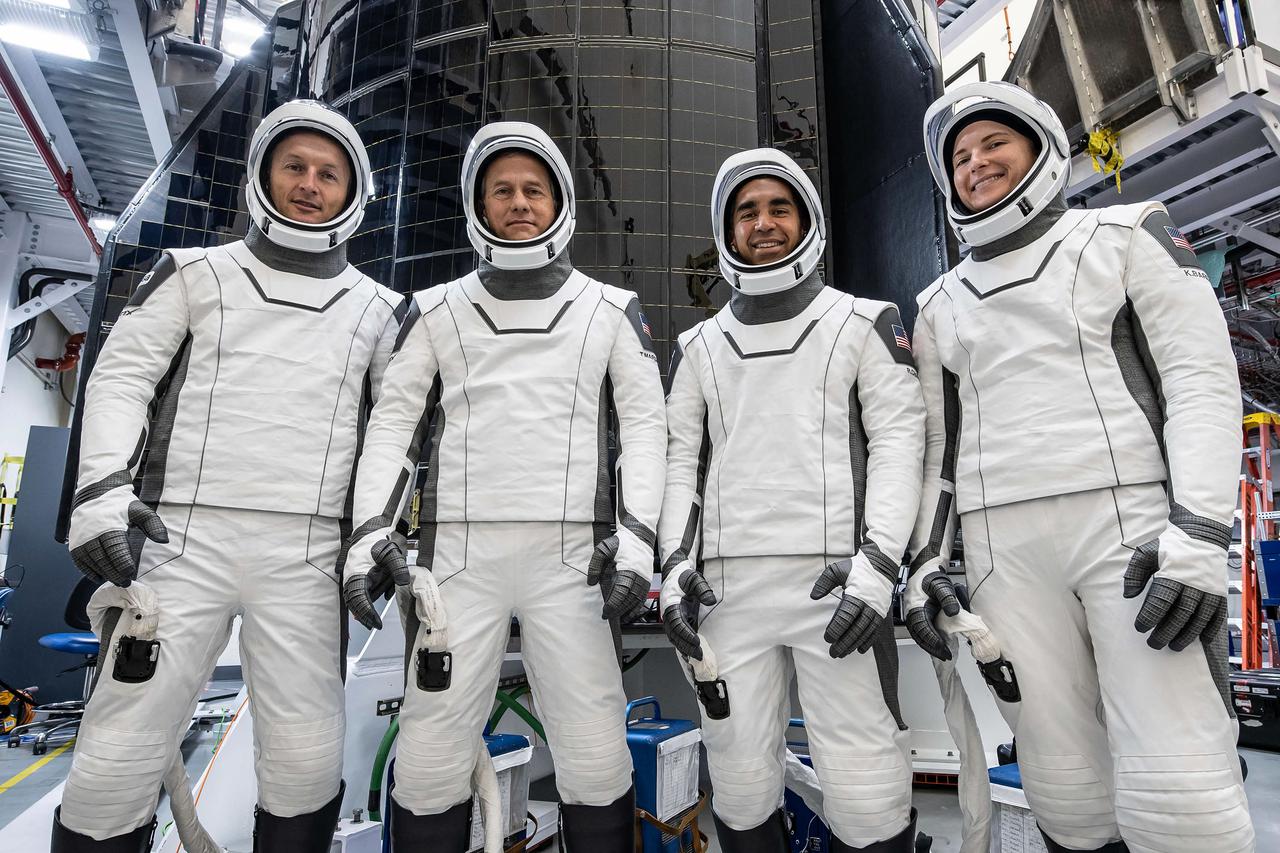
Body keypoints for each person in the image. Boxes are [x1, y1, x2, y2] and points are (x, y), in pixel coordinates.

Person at [904, 81, 1255, 853]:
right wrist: (925, 559)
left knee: (1180, 795)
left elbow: (1201, 379)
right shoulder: (939, 303)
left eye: (992, 143)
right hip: (1005, 556)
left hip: (1132, 537)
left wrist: (1198, 535)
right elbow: (939, 450)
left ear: (1040, 147)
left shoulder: (1128, 234)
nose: (976, 164)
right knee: (1067, 792)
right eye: (960, 158)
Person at [56, 100, 405, 852]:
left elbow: (400, 429)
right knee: (115, 758)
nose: (310, 186)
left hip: (308, 555)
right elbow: (122, 381)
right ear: (263, 175)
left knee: (306, 761)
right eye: (295, 168)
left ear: (354, 192)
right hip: (181, 539)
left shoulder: (380, 310)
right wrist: (102, 494)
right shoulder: (192, 274)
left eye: (328, 174)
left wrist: (375, 531)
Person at [341, 121, 666, 851]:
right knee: (428, 760)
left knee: (594, 754)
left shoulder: (611, 309)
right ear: (478, 204)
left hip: (573, 563)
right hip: (456, 563)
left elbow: (648, 431)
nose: (519, 203)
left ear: (558, 201)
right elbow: (391, 426)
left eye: (533, 189)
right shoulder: (434, 308)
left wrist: (640, 540)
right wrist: (369, 534)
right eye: (502, 191)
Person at [658, 147, 926, 852]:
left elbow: (901, 446)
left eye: (781, 207)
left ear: (807, 218)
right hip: (727, 594)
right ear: (727, 230)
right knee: (742, 793)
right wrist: (672, 568)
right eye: (747, 211)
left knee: (869, 794)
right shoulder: (698, 347)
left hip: (839, 591)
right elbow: (679, 464)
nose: (765, 223)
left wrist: (877, 569)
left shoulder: (865, 321)